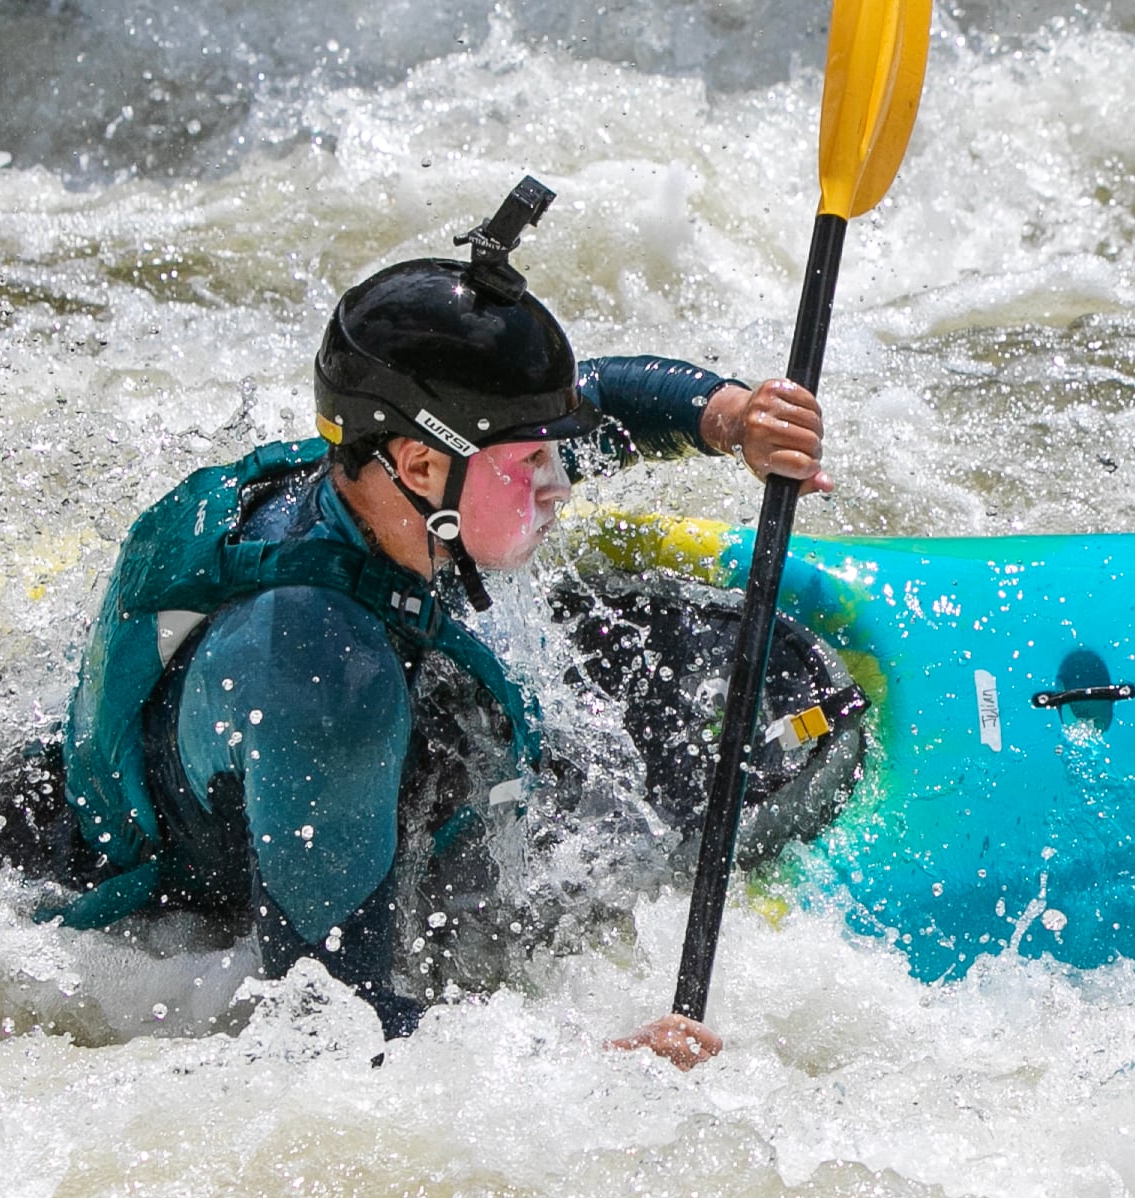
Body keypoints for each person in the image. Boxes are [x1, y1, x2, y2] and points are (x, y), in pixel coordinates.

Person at [51, 178, 823, 1070]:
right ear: (420, 461)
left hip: (302, 765)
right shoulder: (322, 678)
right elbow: (334, 1032)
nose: (559, 481)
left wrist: (732, 416)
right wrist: (600, 1063)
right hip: (212, 890)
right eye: (531, 459)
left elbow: (596, 399)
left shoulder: (394, 495)